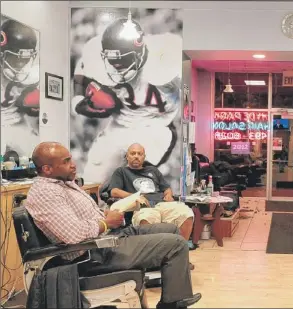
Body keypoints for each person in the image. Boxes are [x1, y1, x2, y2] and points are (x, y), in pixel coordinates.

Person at [24, 142, 201, 309]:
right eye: (66, 161)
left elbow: (79, 220)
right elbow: (74, 234)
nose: (73, 164)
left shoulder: (63, 184)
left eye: (71, 158)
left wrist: (104, 216)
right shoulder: (46, 193)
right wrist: (104, 222)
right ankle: (171, 304)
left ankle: (174, 297)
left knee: (171, 230)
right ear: (47, 169)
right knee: (175, 244)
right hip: (94, 254)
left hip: (107, 238)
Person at [71, 16, 182, 183]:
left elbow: (191, 82)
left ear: (139, 53)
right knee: (93, 180)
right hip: (121, 124)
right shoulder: (95, 53)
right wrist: (79, 100)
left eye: (122, 60)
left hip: (155, 124)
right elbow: (82, 70)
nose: (116, 66)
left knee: (136, 181)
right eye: (112, 61)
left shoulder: (165, 57)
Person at [108, 143, 194, 242]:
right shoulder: (121, 172)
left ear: (144, 157)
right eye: (133, 153)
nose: (136, 156)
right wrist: (135, 197)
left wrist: (168, 195)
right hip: (143, 206)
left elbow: (166, 188)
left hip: (163, 203)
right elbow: (114, 192)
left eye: (139, 154)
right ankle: (153, 253)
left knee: (186, 213)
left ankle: (180, 248)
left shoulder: (153, 170)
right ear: (127, 156)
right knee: (146, 218)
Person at [0, 18, 40, 156]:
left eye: (25, 59)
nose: (20, 64)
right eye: (15, 58)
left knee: (36, 156)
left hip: (18, 124)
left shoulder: (33, 74)